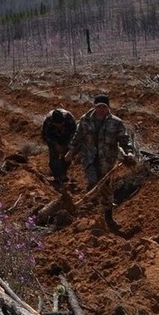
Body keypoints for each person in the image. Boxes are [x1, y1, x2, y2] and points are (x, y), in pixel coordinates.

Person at [66, 94, 136, 230]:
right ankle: (88, 215)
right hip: (89, 159)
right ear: (95, 106)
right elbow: (78, 136)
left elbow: (124, 139)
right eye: (99, 106)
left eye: (104, 107)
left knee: (106, 190)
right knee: (93, 183)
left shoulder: (116, 122)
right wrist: (71, 151)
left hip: (107, 160)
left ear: (108, 107)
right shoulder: (85, 120)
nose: (101, 109)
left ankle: (108, 218)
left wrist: (129, 152)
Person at [41, 108, 77, 190]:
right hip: (54, 139)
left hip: (67, 138)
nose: (60, 126)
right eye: (57, 125)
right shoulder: (48, 121)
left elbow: (75, 134)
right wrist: (55, 144)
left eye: (61, 124)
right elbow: (45, 136)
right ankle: (57, 177)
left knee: (67, 157)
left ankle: (63, 174)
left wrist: (68, 146)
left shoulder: (69, 118)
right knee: (53, 158)